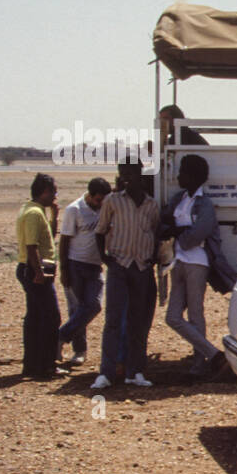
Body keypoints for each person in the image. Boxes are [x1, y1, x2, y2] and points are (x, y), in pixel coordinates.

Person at [93, 159, 159, 389]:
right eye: (122, 174)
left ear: (139, 174)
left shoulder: (152, 205)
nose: (125, 178)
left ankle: (136, 371)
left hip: (141, 267)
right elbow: (100, 231)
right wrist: (105, 258)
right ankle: (106, 373)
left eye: (130, 173)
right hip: (119, 265)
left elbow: (155, 231)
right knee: (113, 320)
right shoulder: (113, 201)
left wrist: (152, 256)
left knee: (138, 322)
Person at [161, 153, 228, 378]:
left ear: (193, 177)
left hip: (197, 263)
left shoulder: (204, 203)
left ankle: (199, 366)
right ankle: (214, 355)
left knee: (196, 314)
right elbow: (166, 224)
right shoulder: (179, 199)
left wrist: (177, 231)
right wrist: (179, 231)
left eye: (182, 173)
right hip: (179, 261)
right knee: (172, 317)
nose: (179, 177)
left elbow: (197, 234)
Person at [57, 177, 111, 366]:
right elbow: (64, 240)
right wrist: (64, 269)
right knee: (76, 310)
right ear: (90, 195)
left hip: (95, 266)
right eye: (98, 200)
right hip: (75, 264)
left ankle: (60, 336)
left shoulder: (105, 209)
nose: (101, 204)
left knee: (93, 305)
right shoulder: (75, 210)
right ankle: (79, 351)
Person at [14, 173, 63, 380]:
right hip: (35, 269)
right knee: (50, 318)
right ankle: (46, 365)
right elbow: (32, 246)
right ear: (44, 190)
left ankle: (32, 364)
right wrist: (39, 273)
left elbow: (47, 239)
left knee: (34, 319)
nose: (55, 194)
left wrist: (54, 216)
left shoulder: (33, 210)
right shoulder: (34, 213)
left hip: (33, 268)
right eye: (53, 190)